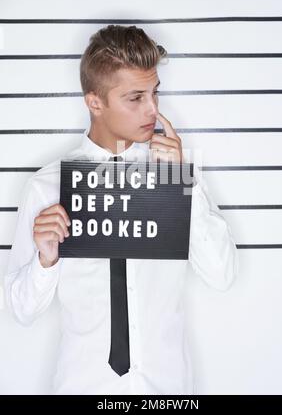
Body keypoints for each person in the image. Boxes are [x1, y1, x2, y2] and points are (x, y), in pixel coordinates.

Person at [4, 24, 239, 395]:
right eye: (135, 98)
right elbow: (22, 310)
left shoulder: (175, 174)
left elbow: (222, 275)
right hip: (81, 387)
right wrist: (45, 260)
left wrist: (181, 187)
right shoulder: (47, 188)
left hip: (168, 391)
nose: (153, 110)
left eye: (154, 94)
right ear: (94, 102)